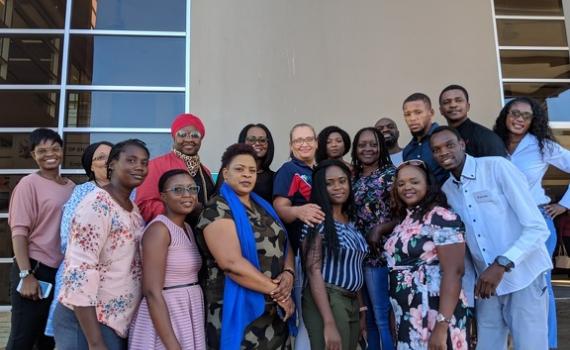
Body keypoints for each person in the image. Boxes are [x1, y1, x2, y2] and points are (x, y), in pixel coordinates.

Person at [430, 126, 552, 350]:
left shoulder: (497, 168)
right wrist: (467, 297)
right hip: (485, 288)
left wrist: (502, 263)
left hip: (523, 277)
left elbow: (537, 228)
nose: (443, 152)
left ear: (462, 144)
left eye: (449, 145)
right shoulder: (447, 190)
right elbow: (463, 248)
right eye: (436, 149)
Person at [196, 144, 296, 349]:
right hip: (238, 310)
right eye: (239, 169)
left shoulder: (264, 206)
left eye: (252, 170)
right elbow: (231, 263)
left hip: (273, 314)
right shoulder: (217, 208)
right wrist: (279, 293)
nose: (247, 175)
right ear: (225, 173)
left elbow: (284, 243)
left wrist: (289, 272)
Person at [53, 139, 150, 350]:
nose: (139, 167)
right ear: (113, 164)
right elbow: (79, 271)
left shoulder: (131, 206)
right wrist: (95, 342)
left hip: (113, 321)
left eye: (144, 162)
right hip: (87, 322)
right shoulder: (97, 204)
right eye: (131, 160)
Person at [494, 97, 570, 349]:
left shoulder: (542, 146)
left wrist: (564, 204)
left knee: (539, 285)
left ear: (533, 120)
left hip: (536, 223)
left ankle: (546, 343)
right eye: (514, 113)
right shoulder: (494, 145)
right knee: (508, 283)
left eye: (525, 116)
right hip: (503, 225)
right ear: (506, 116)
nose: (519, 119)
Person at [385, 159, 470, 349]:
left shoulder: (440, 216)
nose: (407, 187)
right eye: (401, 183)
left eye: (414, 182)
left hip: (435, 313)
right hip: (408, 314)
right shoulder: (406, 219)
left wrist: (441, 326)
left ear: (428, 185)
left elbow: (454, 272)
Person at [7, 128, 75, 350]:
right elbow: (18, 232)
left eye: (55, 148)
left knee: (48, 339)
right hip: (35, 268)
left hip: (60, 272)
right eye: (42, 150)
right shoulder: (29, 184)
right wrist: (26, 275)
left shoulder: (72, 187)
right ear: (33, 154)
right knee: (22, 339)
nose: (50, 154)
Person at [129, 169, 206, 350]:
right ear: (163, 196)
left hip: (187, 311)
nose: (187, 195)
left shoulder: (187, 228)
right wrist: (172, 344)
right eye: (178, 190)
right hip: (166, 316)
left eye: (192, 189)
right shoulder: (159, 230)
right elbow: (152, 291)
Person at [45, 141, 113, 337]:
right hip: (82, 275)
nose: (107, 161)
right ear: (90, 166)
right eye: (100, 157)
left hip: (117, 280)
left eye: (112, 156)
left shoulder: (131, 192)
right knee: (78, 337)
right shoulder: (81, 192)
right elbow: (68, 237)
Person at [301, 160, 368, 350]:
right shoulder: (316, 219)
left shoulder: (352, 221)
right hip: (329, 299)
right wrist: (329, 323)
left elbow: (355, 267)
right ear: (321, 188)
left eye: (342, 181)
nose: (337, 187)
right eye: (329, 183)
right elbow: (313, 271)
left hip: (352, 301)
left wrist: (362, 308)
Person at [273, 123, 325, 348]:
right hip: (301, 255)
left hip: (327, 254)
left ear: (316, 143)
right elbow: (279, 207)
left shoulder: (322, 170)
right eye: (298, 140)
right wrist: (298, 211)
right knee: (306, 315)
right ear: (291, 146)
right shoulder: (288, 170)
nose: (303, 144)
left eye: (308, 139)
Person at [351, 127, 395, 350]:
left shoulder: (390, 175)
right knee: (367, 319)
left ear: (381, 147)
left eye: (373, 144)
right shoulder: (353, 177)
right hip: (358, 256)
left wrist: (381, 229)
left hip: (381, 254)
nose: (367, 148)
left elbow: (404, 215)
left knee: (381, 317)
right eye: (362, 144)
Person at [136, 113, 215, 227]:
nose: (189, 139)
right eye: (182, 134)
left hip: (202, 237)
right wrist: (181, 210)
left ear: (201, 138)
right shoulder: (156, 165)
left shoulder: (205, 171)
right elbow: (143, 205)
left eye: (195, 135)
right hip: (170, 237)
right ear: (174, 137)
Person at [439, 84, 507, 157]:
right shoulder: (441, 139)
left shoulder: (486, 138)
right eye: (446, 102)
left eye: (458, 100)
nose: (453, 105)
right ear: (441, 110)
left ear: (468, 106)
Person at [402, 93, 449, 185]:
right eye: (407, 114)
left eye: (418, 112)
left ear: (431, 113)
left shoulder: (446, 138)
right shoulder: (408, 150)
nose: (412, 118)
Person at [237, 123, 276, 202]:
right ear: (242, 142)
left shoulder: (275, 177)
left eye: (262, 140)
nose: (257, 143)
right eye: (251, 140)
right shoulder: (231, 173)